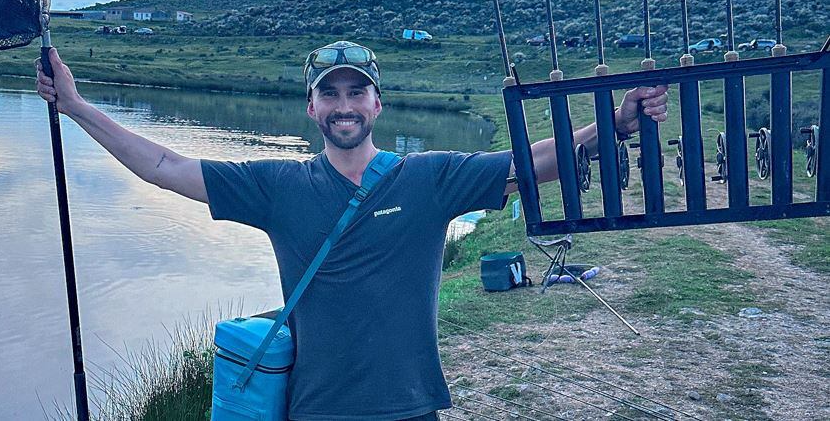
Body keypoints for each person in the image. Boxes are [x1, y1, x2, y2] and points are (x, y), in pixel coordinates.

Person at [35, 40, 669, 421]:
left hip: (411, 405)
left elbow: (531, 164)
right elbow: (166, 166)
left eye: (356, 93)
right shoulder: (277, 187)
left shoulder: (430, 178)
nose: (344, 105)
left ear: (376, 105)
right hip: (316, 410)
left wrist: (613, 124)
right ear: (312, 107)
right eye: (330, 94)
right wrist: (77, 107)